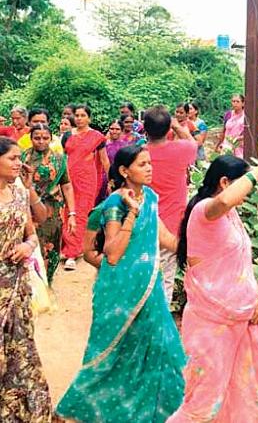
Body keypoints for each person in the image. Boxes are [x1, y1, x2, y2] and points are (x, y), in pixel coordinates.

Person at [56, 145, 186, 422]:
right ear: (125, 171)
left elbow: (162, 236)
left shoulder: (150, 196)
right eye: (142, 164)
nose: (149, 168)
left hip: (149, 289)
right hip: (120, 292)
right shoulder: (115, 205)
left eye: (149, 163)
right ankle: (74, 408)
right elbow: (113, 254)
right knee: (113, 353)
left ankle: (159, 410)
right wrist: (132, 213)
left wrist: (193, 252)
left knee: (160, 345)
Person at [169, 154, 258, 422]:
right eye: (244, 184)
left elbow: (239, 265)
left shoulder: (230, 217)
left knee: (251, 391)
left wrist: (256, 298)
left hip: (243, 319)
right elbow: (224, 200)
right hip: (211, 323)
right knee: (203, 401)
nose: (249, 193)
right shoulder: (204, 211)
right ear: (224, 182)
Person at [0, 137, 53, 421]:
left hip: (16, 288)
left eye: (19, 158)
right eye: (12, 158)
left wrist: (27, 247)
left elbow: (33, 232)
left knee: (20, 351)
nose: (18, 163)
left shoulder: (19, 194)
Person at [145, 105, 198, 303]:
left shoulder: (139, 155)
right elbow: (192, 142)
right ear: (168, 127)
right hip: (171, 226)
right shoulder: (181, 149)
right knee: (165, 279)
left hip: (143, 223)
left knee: (142, 276)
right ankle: (161, 317)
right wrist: (176, 126)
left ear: (144, 128)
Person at [21, 124, 77, 283]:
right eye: (37, 138)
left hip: (52, 212)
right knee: (32, 248)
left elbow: (66, 186)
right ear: (31, 138)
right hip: (28, 210)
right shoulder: (22, 158)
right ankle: (33, 286)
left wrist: (72, 214)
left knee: (51, 250)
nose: (41, 141)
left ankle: (47, 284)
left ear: (51, 139)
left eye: (45, 138)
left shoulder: (59, 159)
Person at [61, 104, 109, 271]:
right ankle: (69, 245)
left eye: (83, 115)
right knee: (67, 211)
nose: (79, 119)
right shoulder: (67, 135)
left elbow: (104, 161)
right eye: (77, 115)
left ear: (89, 118)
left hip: (87, 180)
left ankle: (72, 253)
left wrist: (112, 181)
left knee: (81, 213)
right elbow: (62, 158)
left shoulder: (97, 137)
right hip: (68, 178)